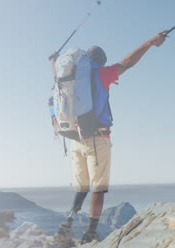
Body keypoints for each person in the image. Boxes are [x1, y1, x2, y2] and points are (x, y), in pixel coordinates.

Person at [49, 30, 167, 246]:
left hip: (75, 139)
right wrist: (149, 42)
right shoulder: (102, 74)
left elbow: (55, 68)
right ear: (101, 62)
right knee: (98, 187)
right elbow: (128, 62)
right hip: (97, 138)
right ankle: (90, 233)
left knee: (81, 186)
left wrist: (54, 59)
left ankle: (66, 225)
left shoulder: (68, 76)